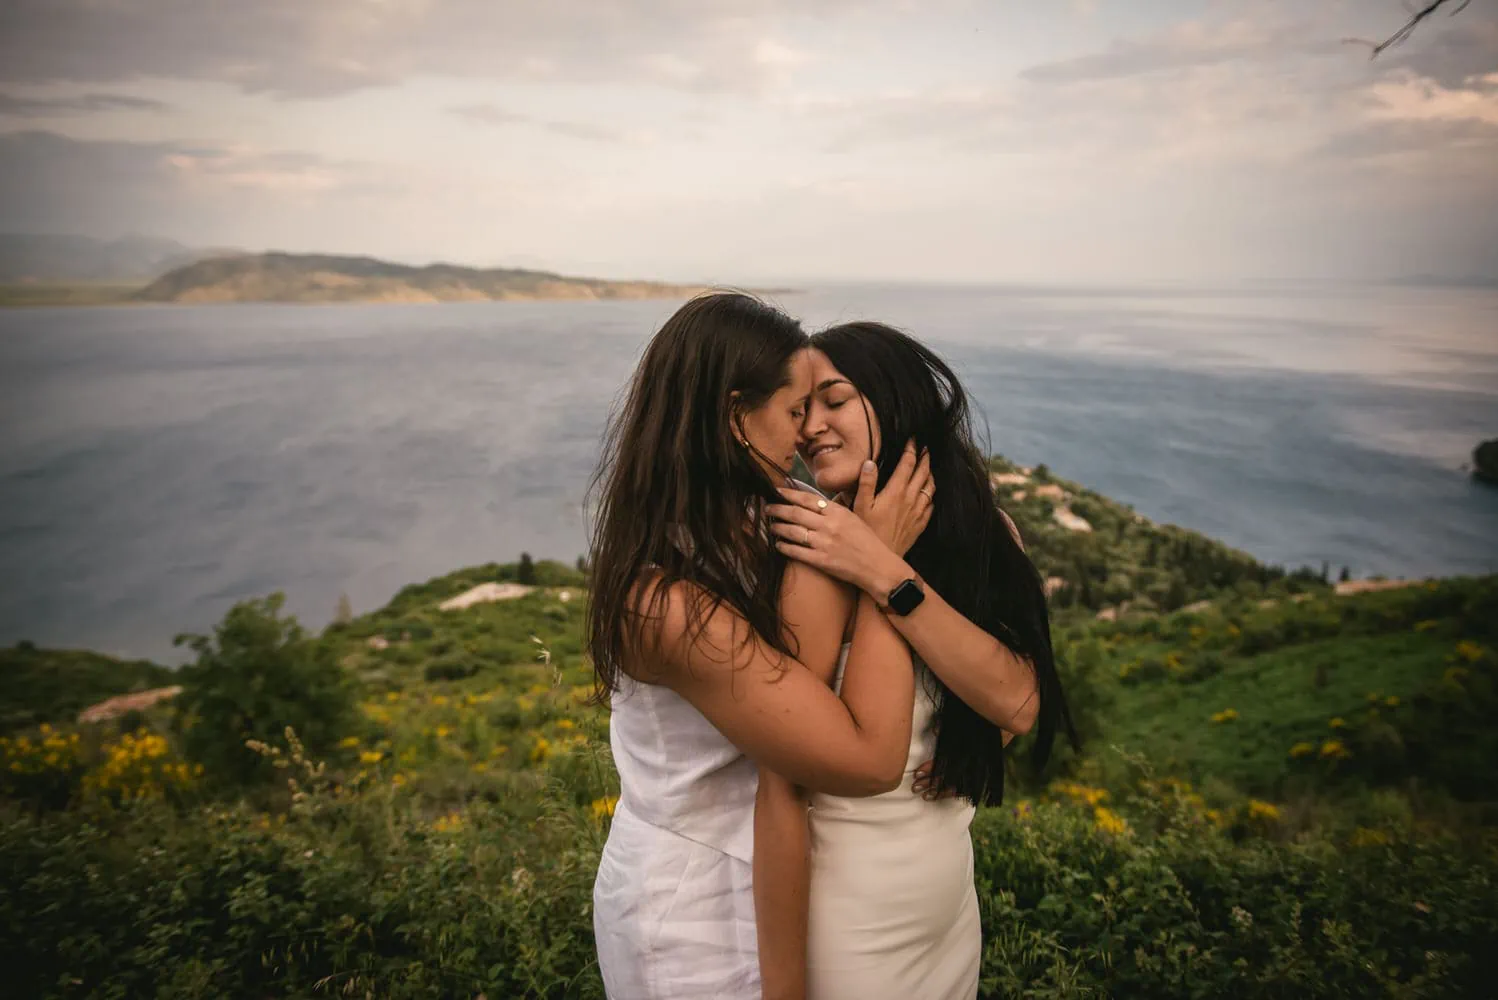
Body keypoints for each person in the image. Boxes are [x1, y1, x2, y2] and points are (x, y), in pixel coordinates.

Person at [586, 294, 935, 999]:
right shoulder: (665, 605)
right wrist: (882, 567)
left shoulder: (759, 522)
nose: (809, 431)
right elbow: (865, 760)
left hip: (777, 880)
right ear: (733, 414)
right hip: (691, 914)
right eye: (794, 409)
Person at [756, 320, 1077, 1000]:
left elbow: (1020, 703)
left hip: (946, 900)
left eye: (833, 400)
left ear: (893, 398)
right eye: (798, 409)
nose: (810, 426)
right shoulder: (805, 548)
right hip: (848, 906)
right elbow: (782, 771)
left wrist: (882, 568)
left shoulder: (982, 533)